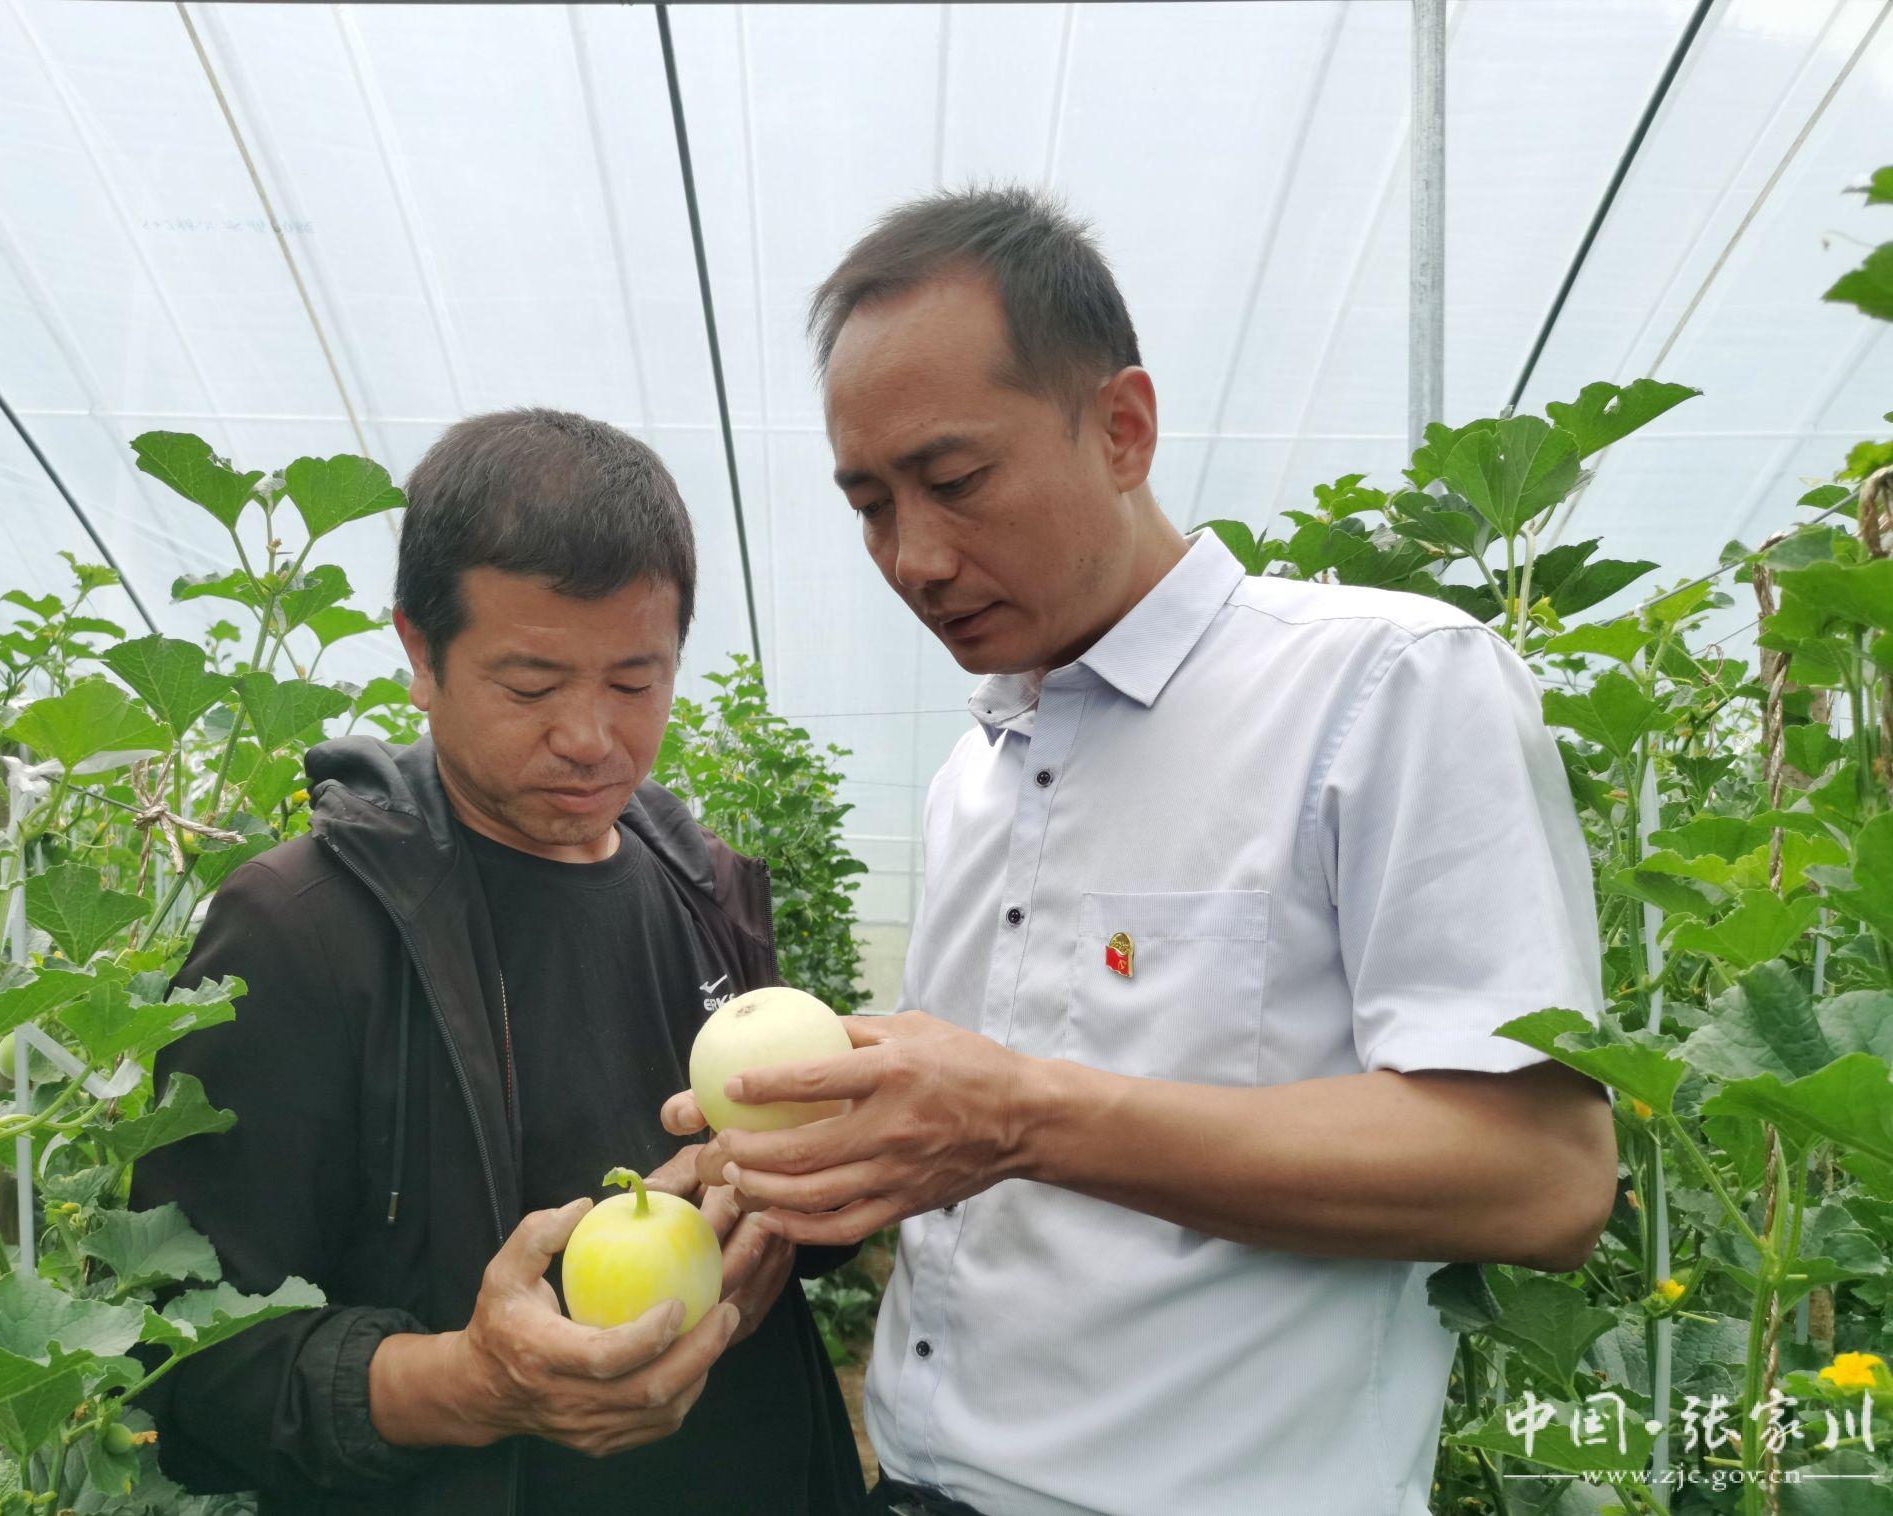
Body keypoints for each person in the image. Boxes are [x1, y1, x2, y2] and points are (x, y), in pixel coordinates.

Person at [662, 186, 1619, 1516]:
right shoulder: (973, 777)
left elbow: (1541, 1176)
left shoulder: (1381, 689)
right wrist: (819, 1158)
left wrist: (1019, 1114)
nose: (914, 558)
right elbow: (989, 1168)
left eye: (955, 482)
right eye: (870, 504)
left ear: (1122, 428)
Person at [130, 409, 866, 1515]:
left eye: (635, 682)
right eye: (530, 686)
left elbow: (801, 1194)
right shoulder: (298, 930)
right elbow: (193, 1353)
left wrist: (793, 1213)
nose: (590, 736)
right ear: (419, 653)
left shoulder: (705, 885)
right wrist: (473, 1385)